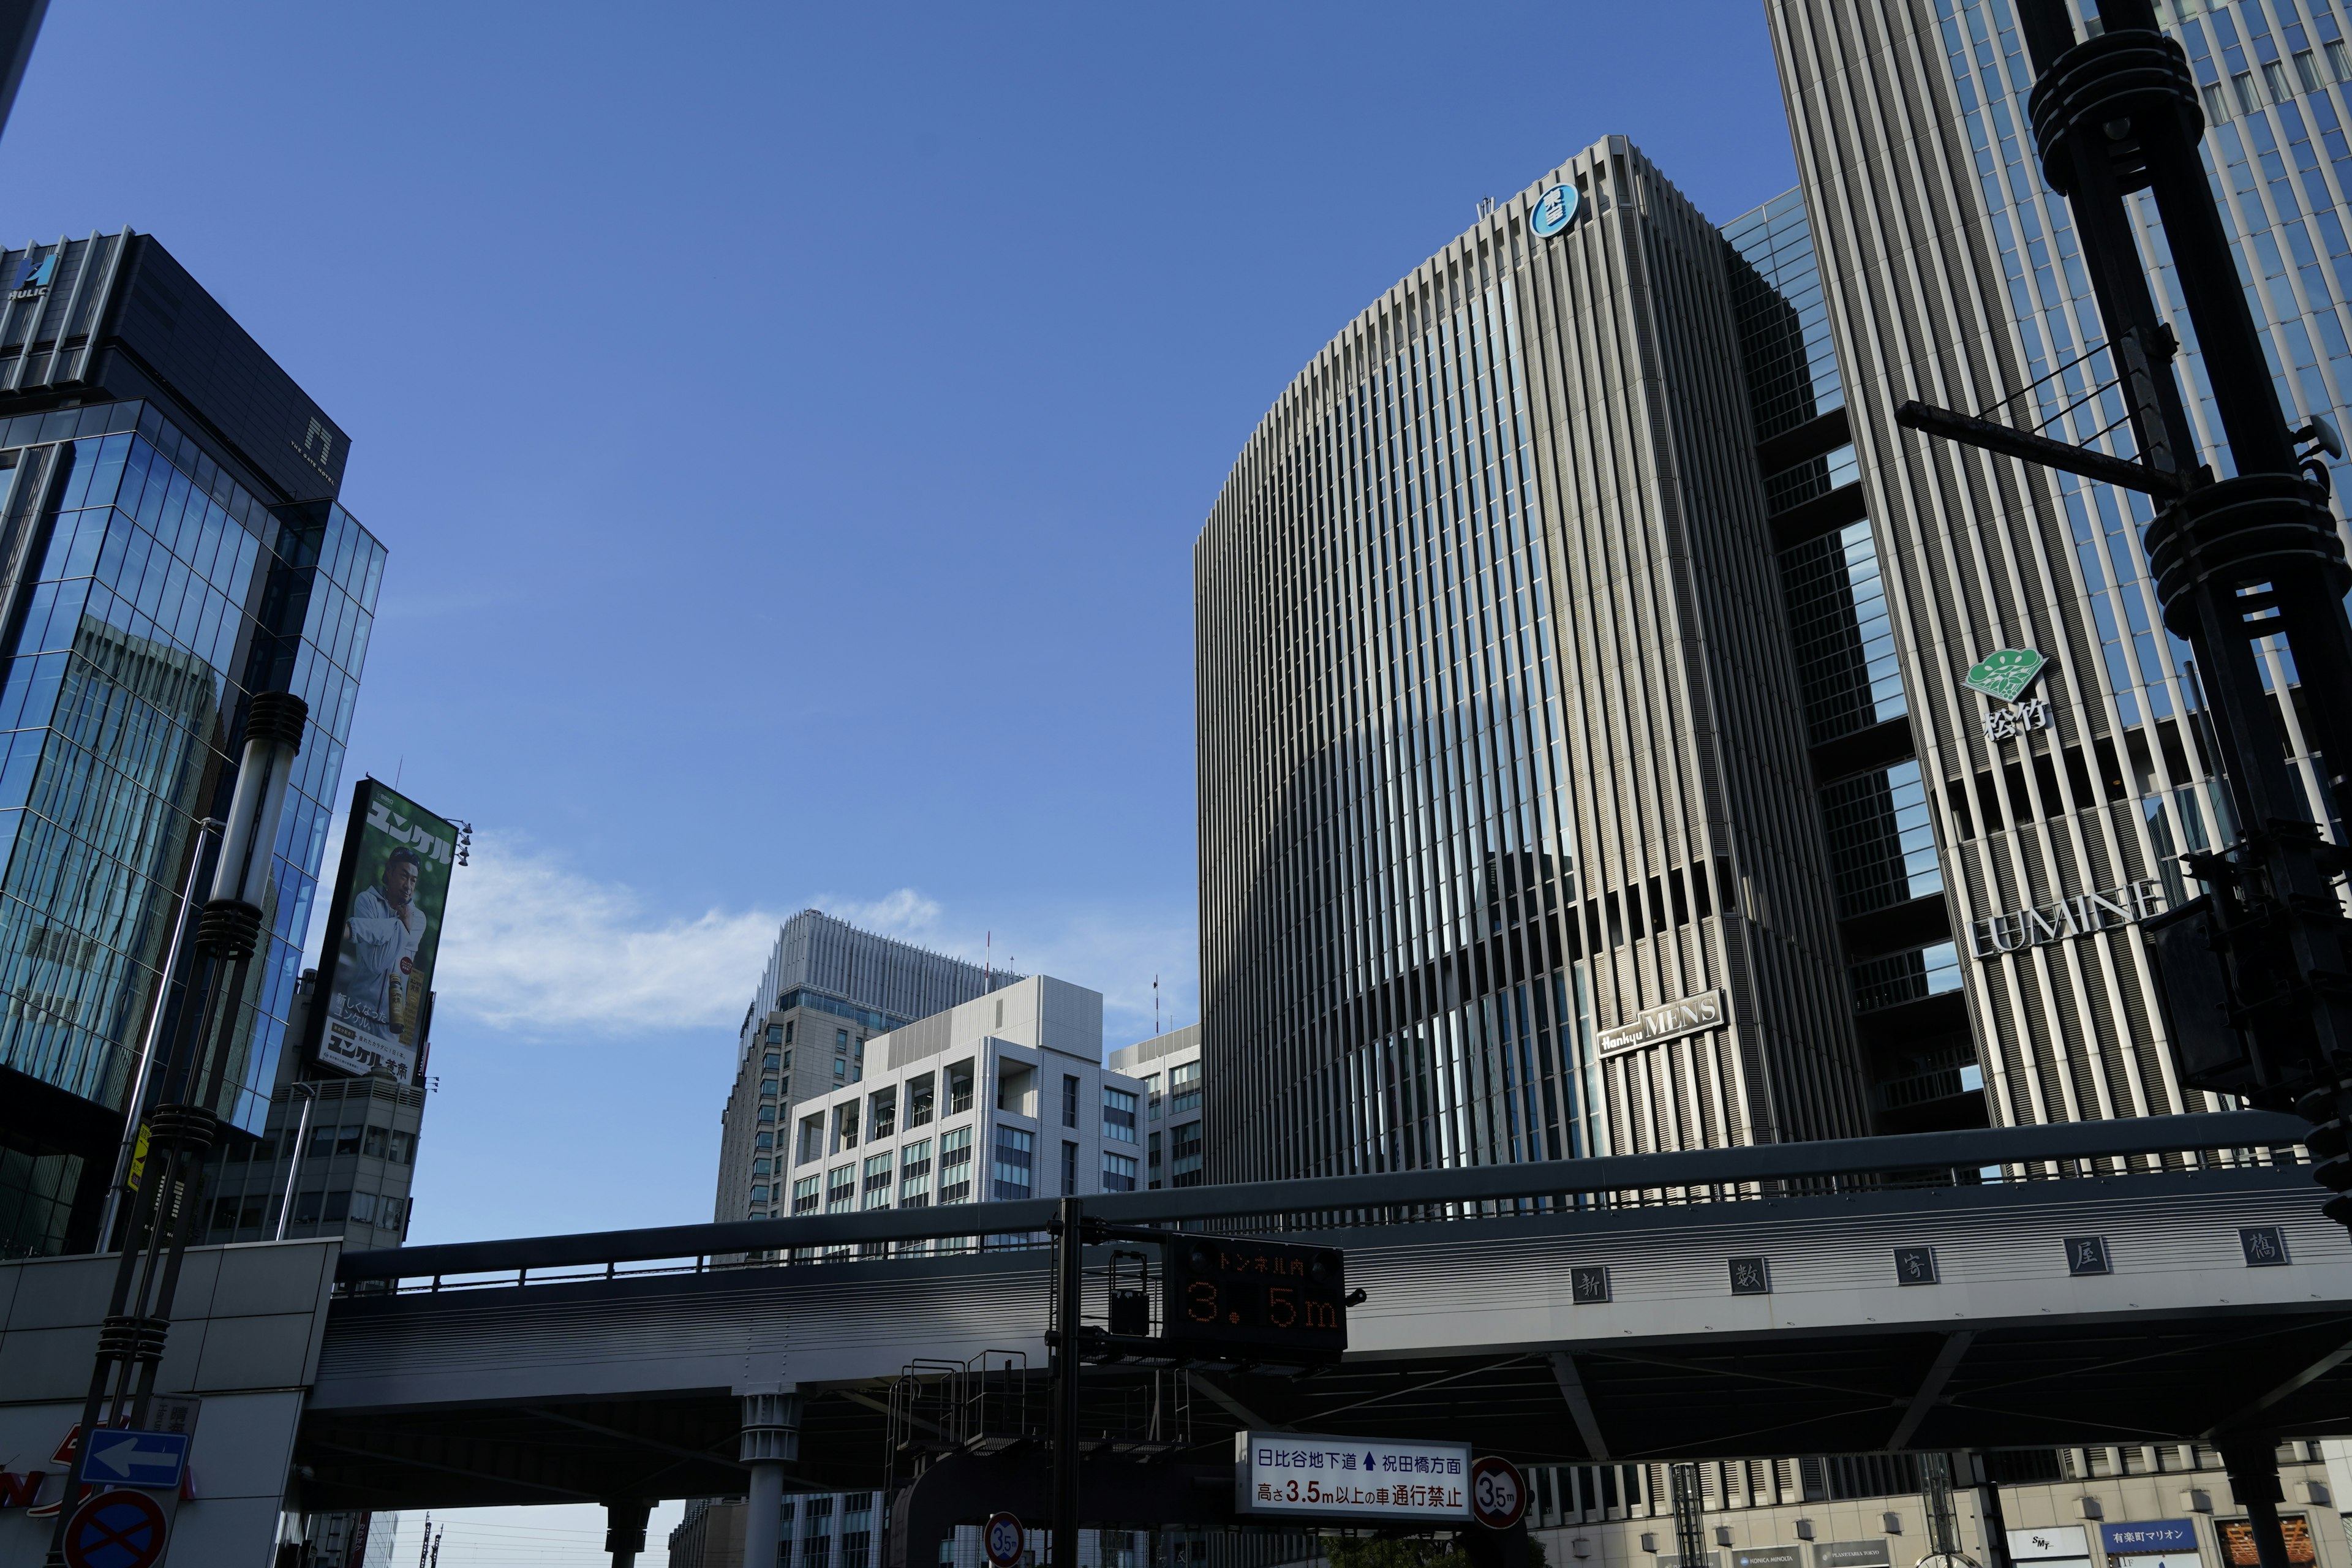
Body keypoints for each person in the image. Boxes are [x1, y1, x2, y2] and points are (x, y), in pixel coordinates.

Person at [339, 848, 426, 1037]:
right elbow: (375, 963)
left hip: (391, 1026)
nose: (408, 886)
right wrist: (403, 924)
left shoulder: (418, 919)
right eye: (404, 876)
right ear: (389, 870)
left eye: (413, 880)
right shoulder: (367, 901)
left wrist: (355, 928)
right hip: (356, 1014)